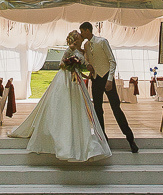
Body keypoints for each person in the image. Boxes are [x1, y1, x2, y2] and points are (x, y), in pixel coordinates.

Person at [8, 30, 111, 162]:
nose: (81, 38)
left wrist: (87, 68)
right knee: (63, 104)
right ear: (76, 39)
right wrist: (70, 64)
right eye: (79, 36)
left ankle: (76, 132)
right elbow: (61, 64)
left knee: (77, 106)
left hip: (77, 80)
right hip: (65, 79)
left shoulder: (83, 52)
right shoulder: (70, 49)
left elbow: (85, 65)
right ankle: (60, 134)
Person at [80, 21, 139, 153]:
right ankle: (103, 139)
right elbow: (90, 60)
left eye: (82, 31)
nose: (81, 34)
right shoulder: (86, 45)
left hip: (107, 79)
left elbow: (112, 61)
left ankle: (130, 138)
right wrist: (89, 67)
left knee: (116, 108)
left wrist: (110, 79)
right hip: (96, 80)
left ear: (87, 30)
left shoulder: (102, 42)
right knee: (97, 110)